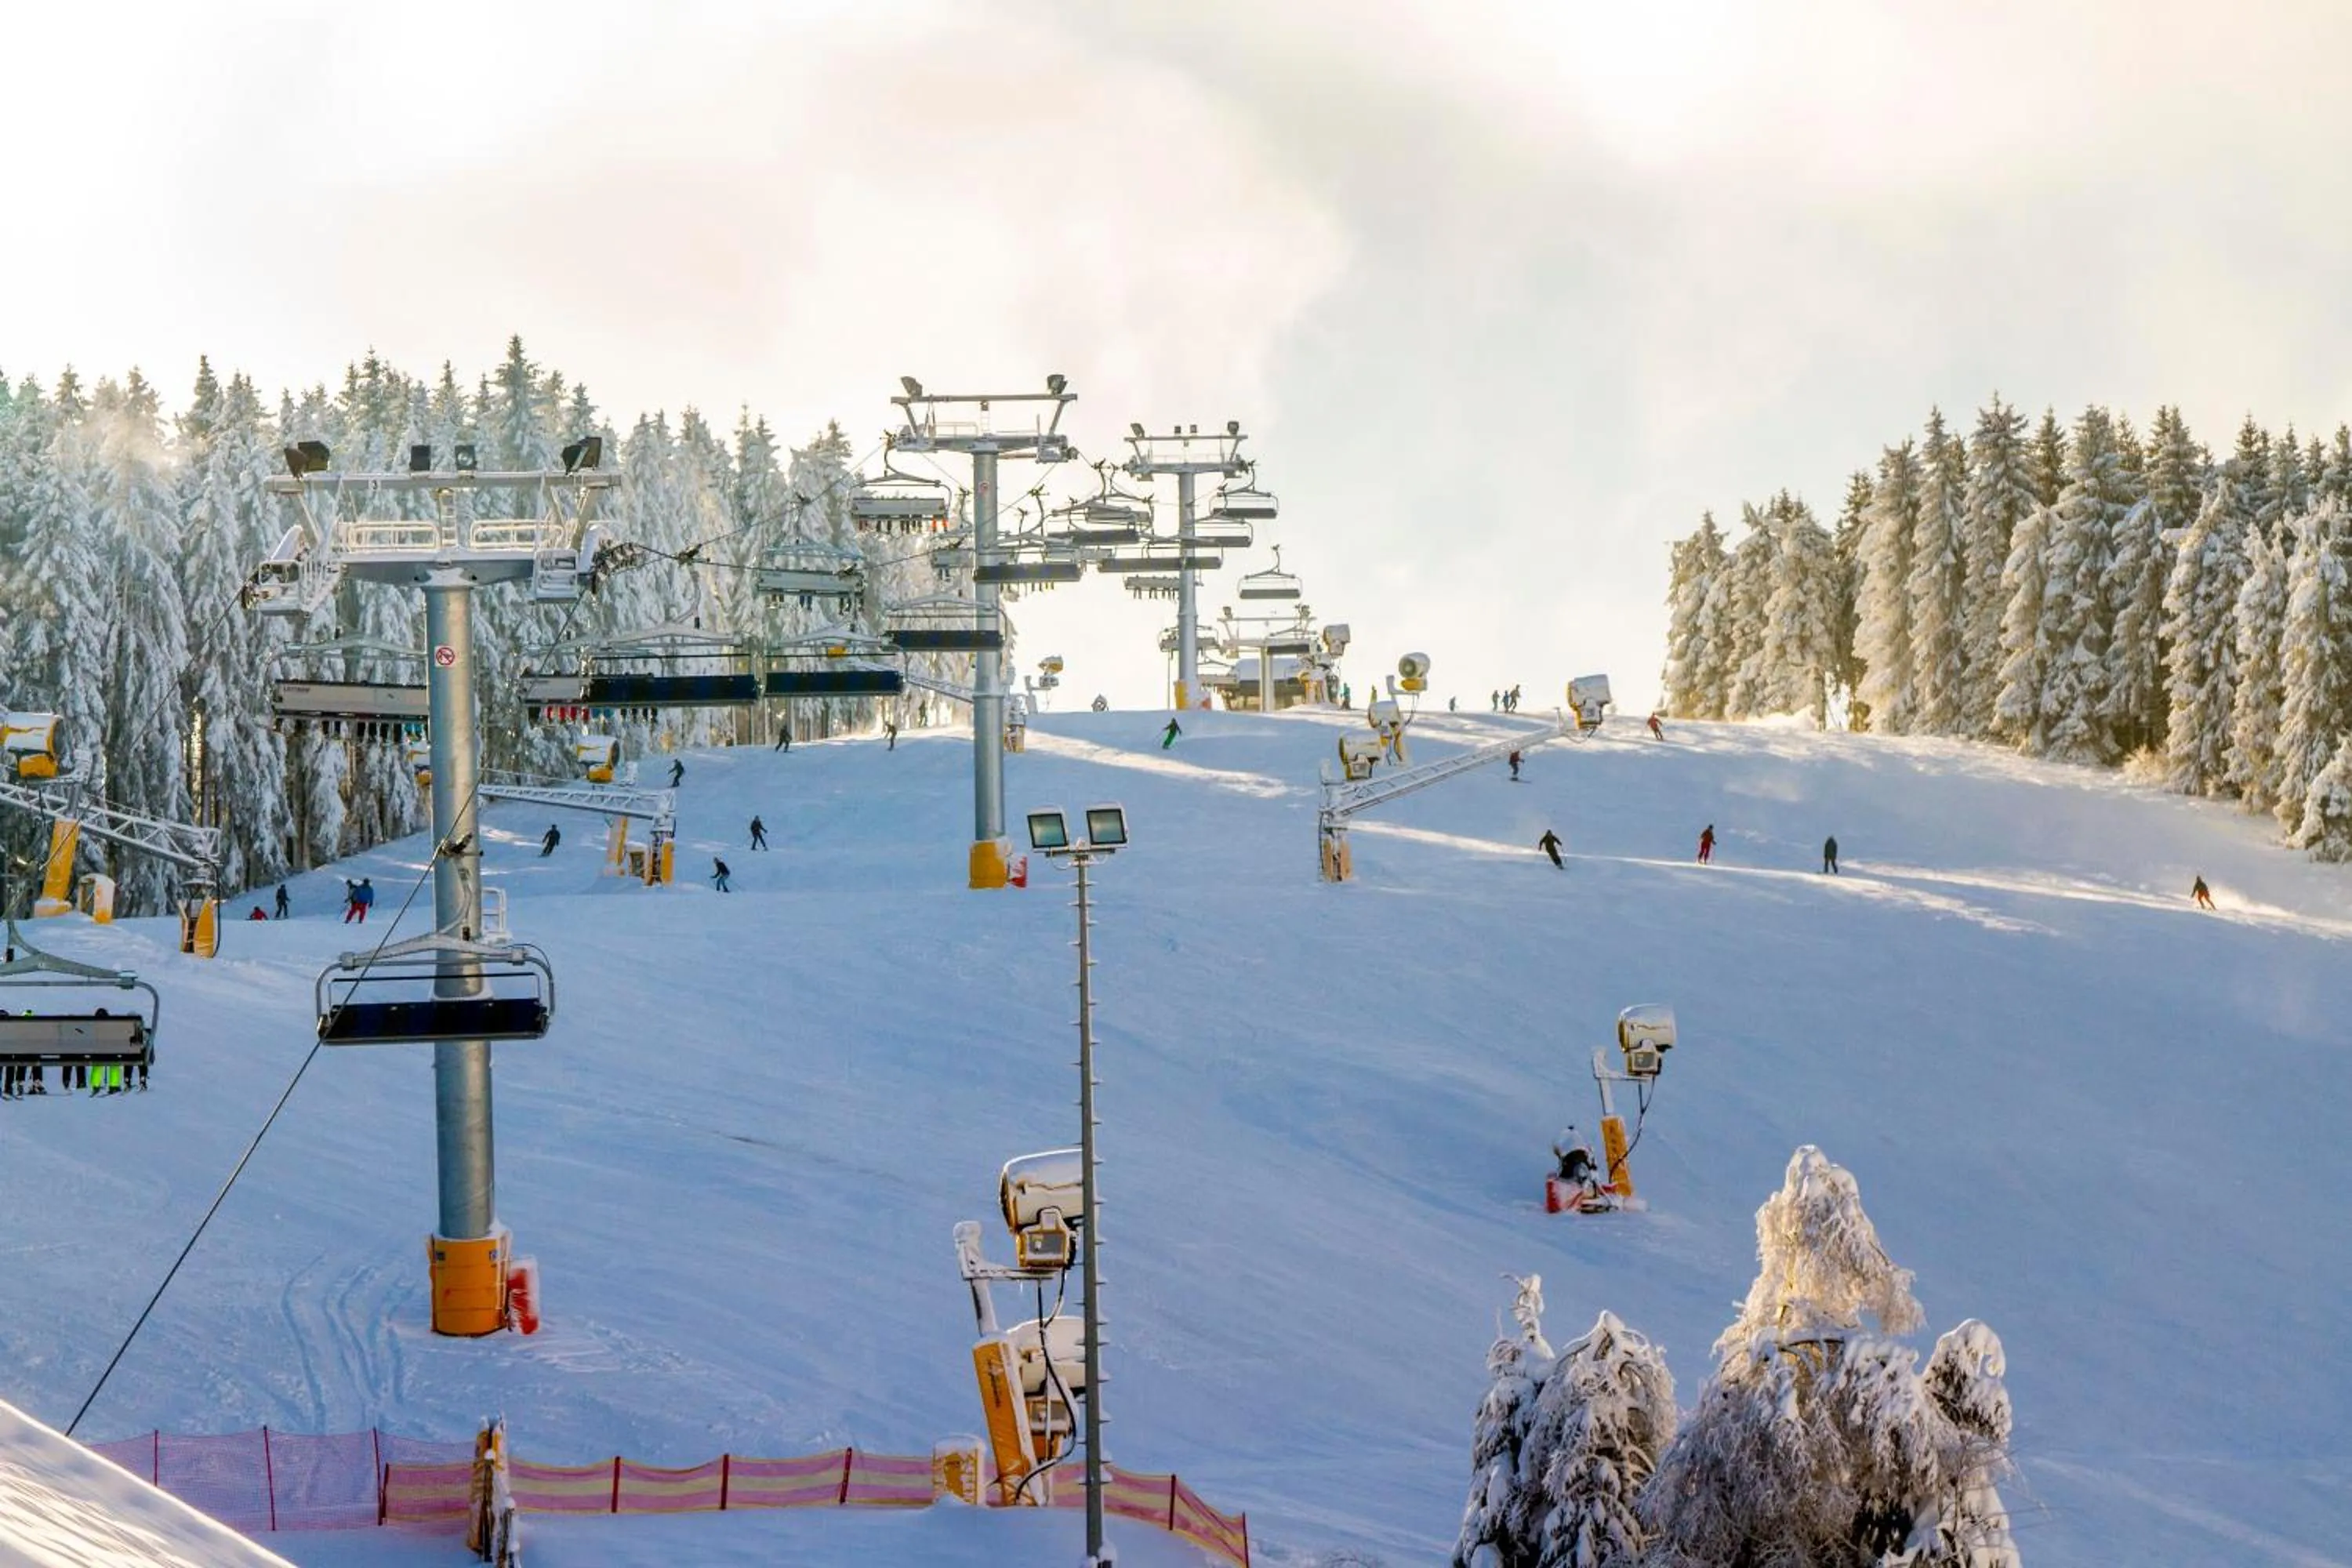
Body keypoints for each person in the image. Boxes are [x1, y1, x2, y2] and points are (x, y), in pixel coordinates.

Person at [1552, 1127, 1600, 1197]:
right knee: (1586, 1174)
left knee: (1567, 1176)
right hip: (1579, 1157)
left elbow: (1558, 1149)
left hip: (1571, 1160)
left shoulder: (1564, 1137)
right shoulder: (1576, 1138)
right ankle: (1587, 1188)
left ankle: (1584, 1187)